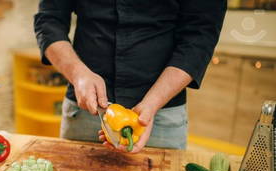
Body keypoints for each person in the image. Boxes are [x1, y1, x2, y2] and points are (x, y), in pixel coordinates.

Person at [34, 0, 227, 153]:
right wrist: (78, 75)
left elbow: (200, 36)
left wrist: (153, 103)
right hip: (85, 110)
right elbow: (49, 21)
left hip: (161, 115)